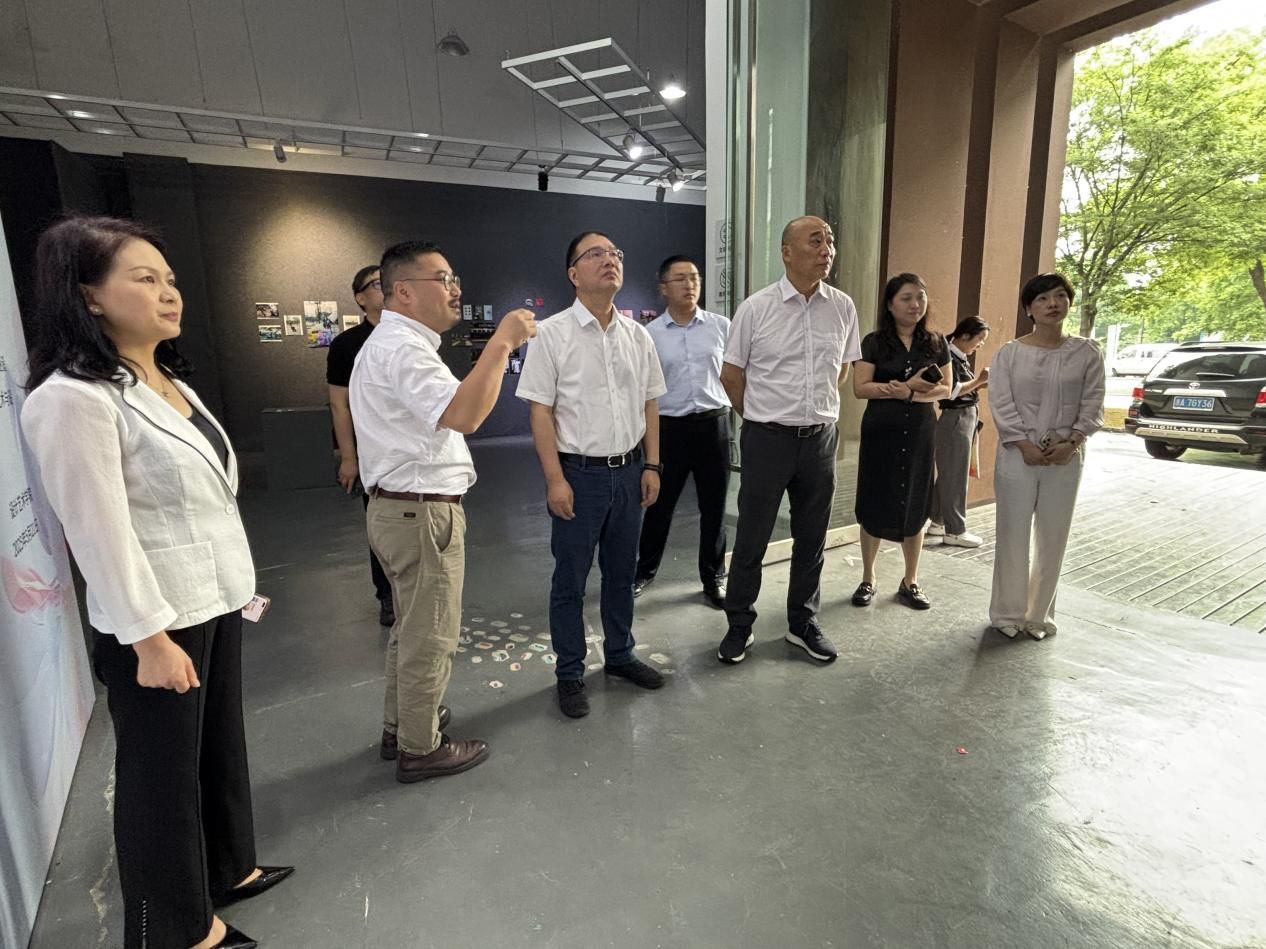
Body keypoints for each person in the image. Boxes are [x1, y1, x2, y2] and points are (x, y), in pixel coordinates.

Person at [21, 216, 290, 949]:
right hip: (157, 619)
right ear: (89, 295)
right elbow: (98, 533)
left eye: (169, 279)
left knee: (217, 748)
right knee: (159, 778)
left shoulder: (166, 382)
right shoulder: (73, 398)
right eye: (145, 279)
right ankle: (174, 928)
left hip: (212, 597)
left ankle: (228, 867)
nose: (170, 293)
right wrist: (148, 638)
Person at [349, 241, 536, 781]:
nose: (455, 289)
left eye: (454, 278)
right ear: (403, 291)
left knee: (412, 628)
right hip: (420, 513)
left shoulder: (394, 344)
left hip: (402, 510)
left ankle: (403, 724)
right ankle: (420, 746)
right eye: (443, 279)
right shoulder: (402, 349)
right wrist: (502, 342)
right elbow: (465, 413)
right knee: (430, 635)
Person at [517, 231, 669, 718]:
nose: (610, 260)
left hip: (630, 472)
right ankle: (569, 672)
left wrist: (652, 464)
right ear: (573, 273)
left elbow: (650, 403)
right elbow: (540, 411)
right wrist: (554, 480)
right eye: (596, 254)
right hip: (579, 476)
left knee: (622, 574)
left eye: (616, 253)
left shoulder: (637, 336)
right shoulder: (552, 334)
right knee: (571, 580)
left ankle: (620, 654)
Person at [717, 215, 862, 665]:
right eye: (815, 241)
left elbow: (841, 371)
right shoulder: (756, 308)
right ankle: (739, 624)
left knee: (812, 537)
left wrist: (811, 411)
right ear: (786, 252)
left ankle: (803, 623)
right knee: (752, 538)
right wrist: (762, 418)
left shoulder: (842, 307)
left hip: (819, 440)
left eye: (830, 241)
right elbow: (731, 375)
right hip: (767, 439)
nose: (826, 250)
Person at [988, 272, 1104, 640]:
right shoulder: (1010, 353)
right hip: (1017, 454)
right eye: (1042, 299)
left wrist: (1073, 442)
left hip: (1065, 456)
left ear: (1069, 301)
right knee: (1012, 533)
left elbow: (1093, 401)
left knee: (1054, 535)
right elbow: (1001, 401)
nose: (1052, 304)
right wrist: (1022, 443)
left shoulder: (1087, 353)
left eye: (1059, 296)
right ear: (1029, 309)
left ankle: (1039, 616)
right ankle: (1007, 613)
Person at [634, 255, 731, 608]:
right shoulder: (650, 335)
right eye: (680, 279)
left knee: (714, 508)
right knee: (659, 506)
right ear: (663, 288)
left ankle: (713, 577)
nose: (690, 285)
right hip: (669, 429)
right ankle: (644, 571)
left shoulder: (721, 327)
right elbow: (643, 391)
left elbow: (736, 375)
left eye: (694, 277)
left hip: (713, 425)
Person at [850, 273, 952, 611]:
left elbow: (946, 389)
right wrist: (906, 387)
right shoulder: (874, 342)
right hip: (881, 432)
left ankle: (910, 580)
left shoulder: (936, 342)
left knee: (915, 502)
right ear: (890, 304)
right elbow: (860, 388)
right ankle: (868, 577)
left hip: (920, 432)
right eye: (907, 298)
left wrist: (908, 393)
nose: (915, 304)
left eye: (920, 297)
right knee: (874, 500)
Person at [326, 264, 394, 626]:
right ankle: (387, 594)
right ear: (360, 298)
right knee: (380, 527)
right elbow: (340, 404)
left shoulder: (412, 336)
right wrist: (348, 457)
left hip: (410, 453)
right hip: (373, 454)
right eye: (378, 284)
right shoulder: (346, 345)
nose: (387, 288)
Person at [927, 315, 991, 547]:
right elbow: (951, 391)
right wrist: (980, 380)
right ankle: (955, 530)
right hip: (956, 418)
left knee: (950, 474)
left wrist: (978, 383)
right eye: (979, 339)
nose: (980, 344)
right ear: (965, 335)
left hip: (963, 418)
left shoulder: (958, 357)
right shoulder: (947, 356)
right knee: (955, 476)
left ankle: (937, 521)